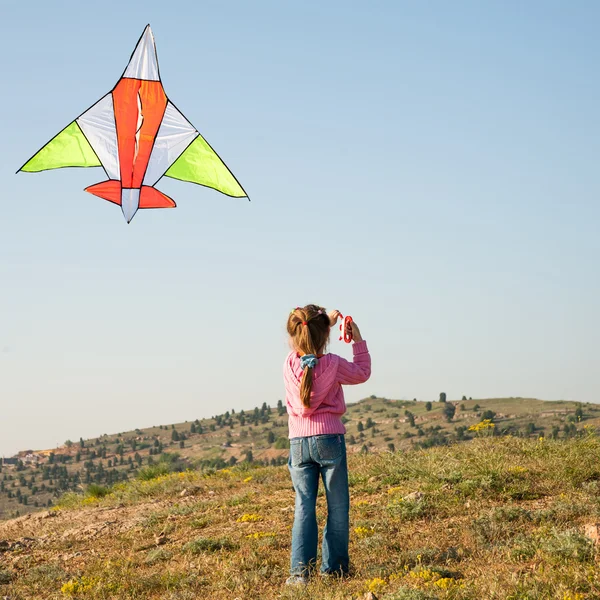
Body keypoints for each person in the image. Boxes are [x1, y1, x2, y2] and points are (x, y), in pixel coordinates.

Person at [284, 304, 371, 584]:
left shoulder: (288, 363)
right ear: (324, 336)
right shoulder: (333, 364)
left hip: (299, 442)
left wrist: (324, 326)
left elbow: (308, 345)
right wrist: (357, 340)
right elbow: (361, 372)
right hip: (329, 440)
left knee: (304, 506)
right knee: (337, 507)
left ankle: (300, 575)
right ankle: (334, 571)